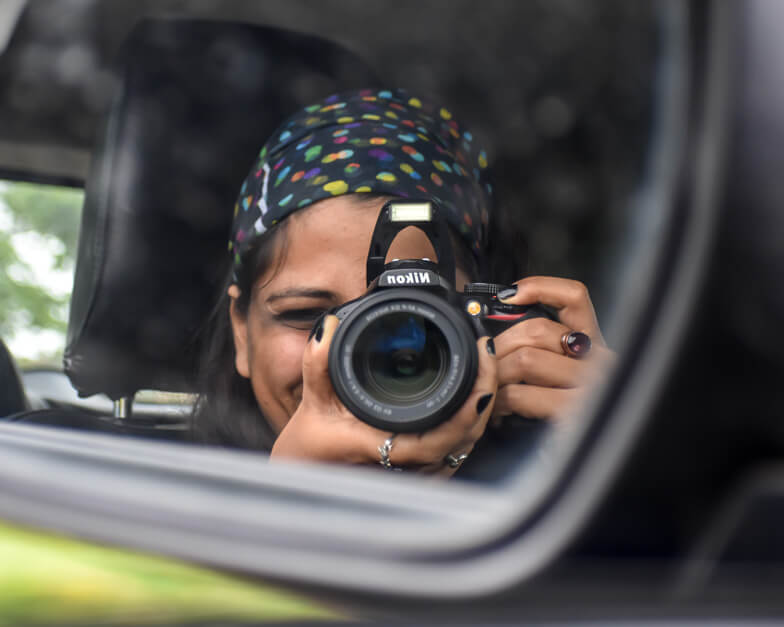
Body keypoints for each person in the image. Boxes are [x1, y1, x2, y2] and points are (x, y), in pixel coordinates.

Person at [192, 88, 612, 477]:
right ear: (242, 333)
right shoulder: (166, 495)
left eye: (412, 308)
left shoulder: (546, 490)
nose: (359, 351)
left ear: (485, 323)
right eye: (305, 315)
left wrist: (605, 455)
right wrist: (289, 492)